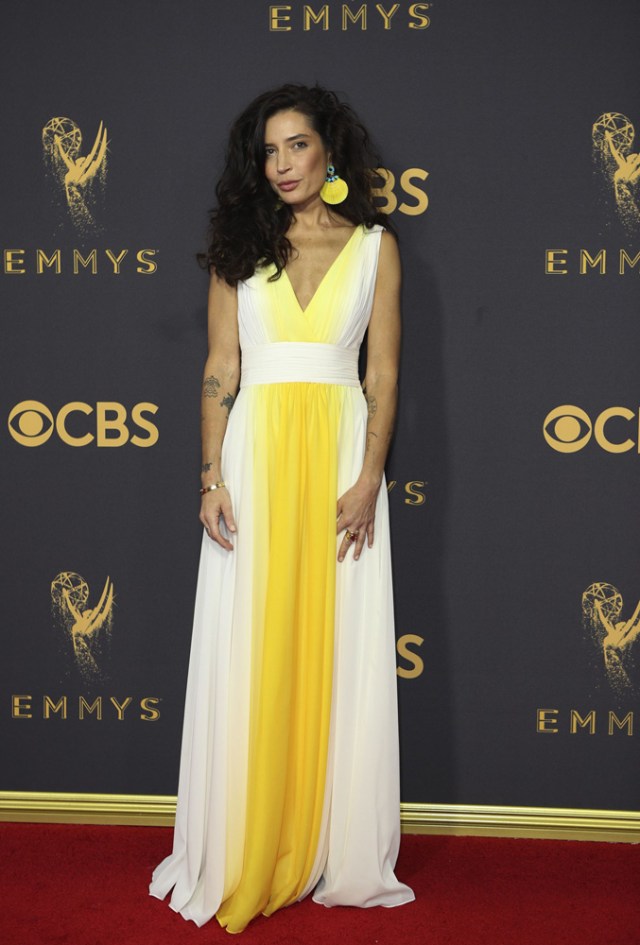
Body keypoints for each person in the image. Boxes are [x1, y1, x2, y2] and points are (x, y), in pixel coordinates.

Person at [149, 83, 415, 933]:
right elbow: (221, 369)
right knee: (251, 642)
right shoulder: (239, 246)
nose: (283, 164)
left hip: (340, 459)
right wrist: (209, 477)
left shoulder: (377, 248)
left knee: (337, 638)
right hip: (255, 460)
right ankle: (244, 839)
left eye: (297, 145)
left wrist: (372, 473)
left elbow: (381, 374)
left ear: (329, 151)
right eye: (269, 151)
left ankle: (332, 842)